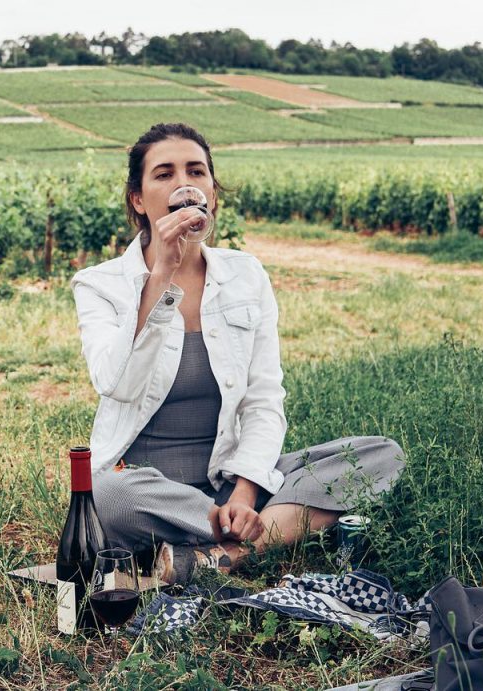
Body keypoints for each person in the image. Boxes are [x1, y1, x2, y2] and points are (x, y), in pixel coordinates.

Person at [70, 123, 405, 584]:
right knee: (105, 494)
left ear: (212, 191)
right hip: (145, 486)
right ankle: (247, 535)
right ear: (138, 200)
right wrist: (162, 275)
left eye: (196, 171)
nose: (184, 184)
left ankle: (222, 555)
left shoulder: (246, 275)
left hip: (230, 479)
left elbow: (264, 398)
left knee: (379, 456)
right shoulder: (98, 285)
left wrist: (245, 493)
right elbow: (116, 383)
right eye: (164, 174)